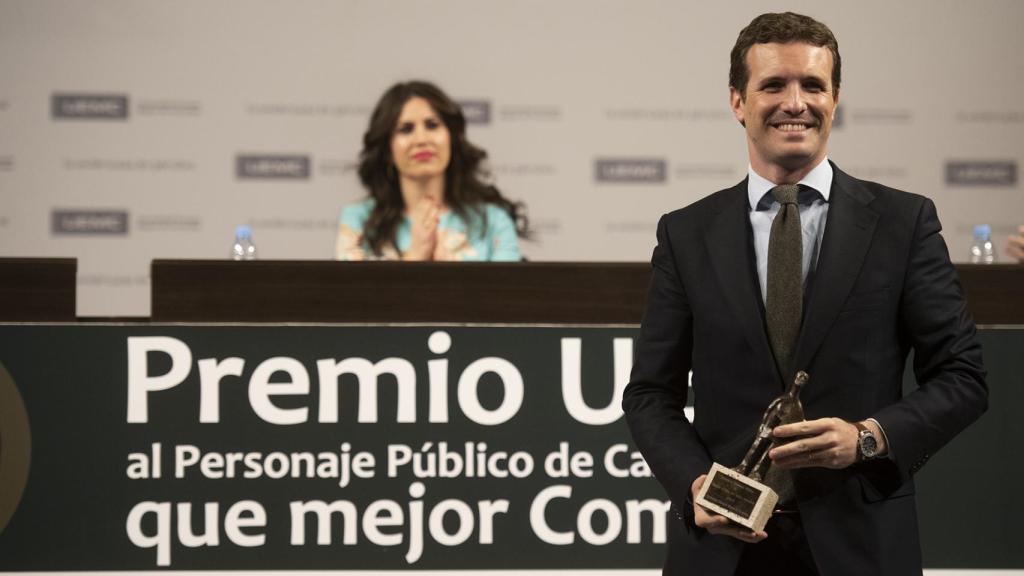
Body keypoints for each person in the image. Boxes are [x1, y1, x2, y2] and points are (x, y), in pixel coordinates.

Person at [622, 12, 987, 576]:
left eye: (813, 85)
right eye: (773, 85)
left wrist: (867, 438)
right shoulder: (685, 233)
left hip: (862, 546)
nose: (796, 102)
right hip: (723, 552)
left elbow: (963, 376)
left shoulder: (903, 222)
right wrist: (695, 485)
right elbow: (650, 393)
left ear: (834, 99)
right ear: (738, 102)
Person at [335, 80, 526, 261]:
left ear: (451, 138)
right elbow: (350, 295)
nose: (421, 139)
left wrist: (449, 276)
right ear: (387, 150)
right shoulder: (358, 220)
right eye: (406, 129)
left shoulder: (492, 221)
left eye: (432, 125)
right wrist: (414, 258)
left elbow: (507, 295)